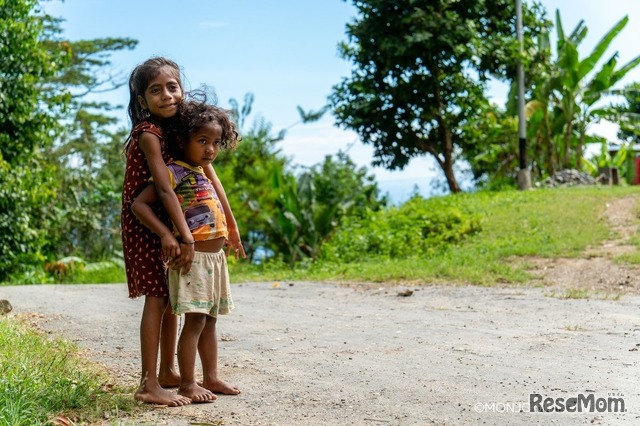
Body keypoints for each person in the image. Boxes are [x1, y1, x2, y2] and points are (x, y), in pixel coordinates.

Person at [121, 57, 245, 406]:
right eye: (155, 90)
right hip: (149, 224)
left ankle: (167, 372)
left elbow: (208, 172)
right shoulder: (149, 133)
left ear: (182, 89)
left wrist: (231, 225)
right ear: (143, 100)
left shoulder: (180, 128)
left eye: (172, 87)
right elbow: (161, 189)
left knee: (174, 299)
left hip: (175, 222)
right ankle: (148, 383)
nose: (166, 95)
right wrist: (179, 235)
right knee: (157, 298)